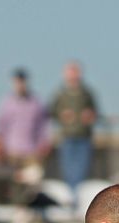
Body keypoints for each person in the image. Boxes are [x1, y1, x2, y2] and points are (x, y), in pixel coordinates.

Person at [50, 61, 100, 197]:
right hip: (67, 137)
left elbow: (95, 112)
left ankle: (78, 195)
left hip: (84, 136)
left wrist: (89, 115)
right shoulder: (61, 94)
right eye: (71, 73)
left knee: (82, 169)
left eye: (75, 72)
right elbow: (51, 111)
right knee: (68, 169)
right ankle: (70, 196)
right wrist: (62, 115)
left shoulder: (86, 93)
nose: (73, 76)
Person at [0, 68, 50, 173]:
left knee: (34, 178)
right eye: (17, 82)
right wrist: (1, 145)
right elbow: (0, 125)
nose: (20, 85)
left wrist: (43, 143)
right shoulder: (7, 103)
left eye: (22, 82)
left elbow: (43, 125)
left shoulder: (36, 102)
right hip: (11, 151)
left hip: (31, 151)